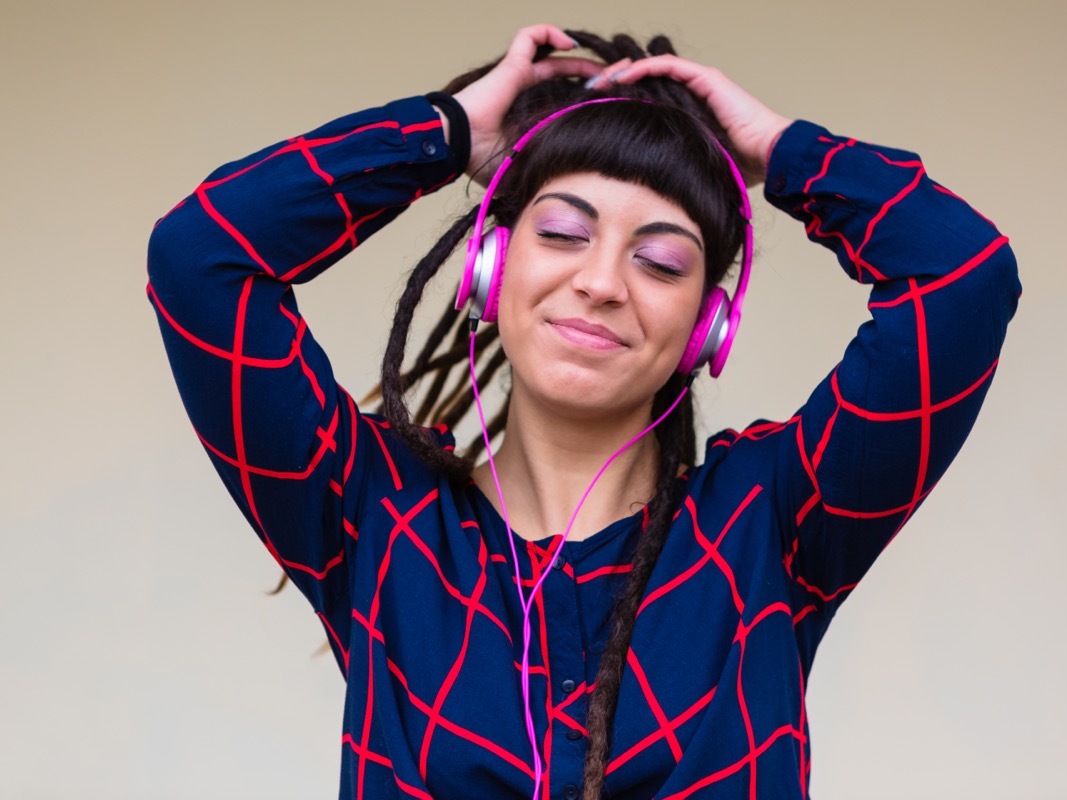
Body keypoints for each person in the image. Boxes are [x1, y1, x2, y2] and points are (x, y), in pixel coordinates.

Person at [147, 24, 1020, 800]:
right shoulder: (374, 515)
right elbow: (201, 257)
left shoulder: (770, 523)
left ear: (707, 326)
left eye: (662, 262)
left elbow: (961, 276)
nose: (600, 282)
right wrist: (447, 134)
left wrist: (780, 152)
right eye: (562, 233)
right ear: (491, 267)